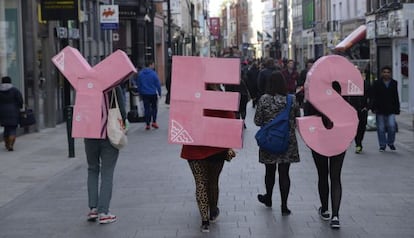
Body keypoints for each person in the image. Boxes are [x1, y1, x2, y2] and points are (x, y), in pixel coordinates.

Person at [180, 83, 236, 233]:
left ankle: (204, 221)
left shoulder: (190, 96)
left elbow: (180, 117)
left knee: (200, 183)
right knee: (213, 182)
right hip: (216, 147)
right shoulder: (220, 97)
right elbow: (231, 120)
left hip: (193, 147)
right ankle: (213, 211)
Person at [254, 71, 300, 216]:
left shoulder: (264, 99)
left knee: (269, 171)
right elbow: (297, 117)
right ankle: (284, 205)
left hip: (269, 141)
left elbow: (257, 121)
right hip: (287, 141)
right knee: (285, 173)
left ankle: (268, 197)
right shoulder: (291, 99)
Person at [303, 82, 345, 229]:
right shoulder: (343, 101)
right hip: (339, 141)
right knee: (335, 177)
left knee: (322, 175)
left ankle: (325, 209)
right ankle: (335, 215)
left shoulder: (314, 100)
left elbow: (307, 120)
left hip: (319, 140)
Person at [85, 86, 126, 224]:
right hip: (110, 134)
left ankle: (93, 209)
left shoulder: (88, 87)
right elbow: (122, 111)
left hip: (90, 134)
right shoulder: (114, 87)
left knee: (92, 169)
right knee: (107, 173)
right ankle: (104, 212)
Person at [371, 66, 400, 152]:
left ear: (390, 73)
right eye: (384, 72)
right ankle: (382, 145)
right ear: (382, 73)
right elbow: (374, 96)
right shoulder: (377, 83)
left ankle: (390, 142)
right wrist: (373, 107)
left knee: (392, 126)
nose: (386, 74)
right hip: (379, 109)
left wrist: (397, 108)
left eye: (388, 72)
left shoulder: (394, 83)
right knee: (381, 128)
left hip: (391, 109)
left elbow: (396, 96)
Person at [348, 67, 371, 153]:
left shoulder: (366, 84)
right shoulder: (350, 84)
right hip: (353, 110)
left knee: (362, 127)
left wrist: (367, 107)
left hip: (363, 109)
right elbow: (347, 97)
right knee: (355, 127)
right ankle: (358, 144)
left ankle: (359, 141)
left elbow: (371, 97)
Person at [134, 61, 162, 130]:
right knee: (154, 108)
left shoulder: (140, 74)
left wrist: (140, 93)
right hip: (153, 93)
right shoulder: (154, 74)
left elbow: (139, 85)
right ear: (150, 65)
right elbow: (158, 84)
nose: (154, 66)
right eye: (153, 65)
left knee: (146, 109)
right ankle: (154, 122)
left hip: (144, 94)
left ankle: (147, 124)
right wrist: (159, 92)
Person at [0, 76, 23, 151]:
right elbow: (20, 100)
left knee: (6, 128)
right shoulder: (15, 90)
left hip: (2, 112)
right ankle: (11, 144)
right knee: (13, 128)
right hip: (13, 111)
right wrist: (20, 107)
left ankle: (6, 143)